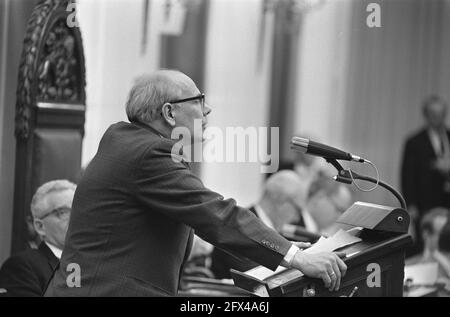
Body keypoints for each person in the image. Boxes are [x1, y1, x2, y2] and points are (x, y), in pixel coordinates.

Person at [45, 70, 346, 296]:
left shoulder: (132, 143)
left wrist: (284, 247)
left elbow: (208, 217)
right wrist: (297, 258)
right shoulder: (149, 153)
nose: (207, 111)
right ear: (169, 112)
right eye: (200, 101)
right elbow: (215, 214)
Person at [210, 170, 311, 279]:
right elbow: (251, 274)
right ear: (280, 199)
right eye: (298, 209)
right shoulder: (239, 225)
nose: (297, 218)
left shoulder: (281, 235)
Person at [0, 180, 75, 296]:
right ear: (40, 227)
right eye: (63, 212)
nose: (75, 218)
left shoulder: (96, 263)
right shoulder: (22, 268)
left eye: (78, 210)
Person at [401, 95, 450, 253]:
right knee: (426, 245)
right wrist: (411, 204)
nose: (438, 118)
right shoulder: (414, 141)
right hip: (425, 203)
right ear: (426, 115)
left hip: (447, 201)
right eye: (433, 114)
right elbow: (407, 176)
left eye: (441, 114)